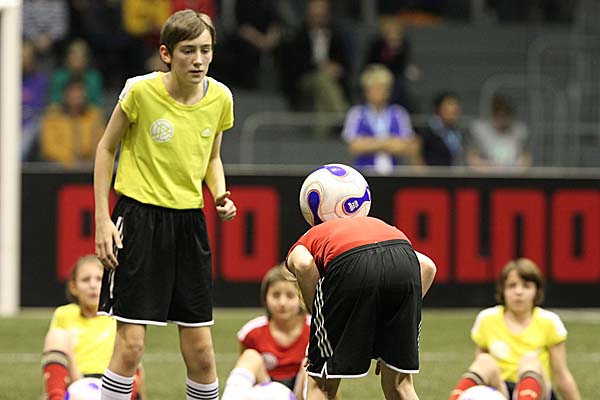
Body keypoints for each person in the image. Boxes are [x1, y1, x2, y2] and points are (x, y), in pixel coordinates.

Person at [93, 9, 236, 400]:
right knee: (131, 347)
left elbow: (212, 157)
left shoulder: (221, 97)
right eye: (188, 50)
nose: (199, 59)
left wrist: (219, 194)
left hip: (190, 225)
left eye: (205, 50)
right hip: (138, 220)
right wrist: (103, 219)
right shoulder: (139, 91)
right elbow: (105, 149)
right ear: (166, 54)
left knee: (203, 353)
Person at [286, 208, 437, 398]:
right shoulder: (378, 224)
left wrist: (319, 326)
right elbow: (427, 266)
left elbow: (304, 265)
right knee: (400, 385)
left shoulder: (308, 238)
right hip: (402, 257)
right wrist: (397, 323)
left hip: (349, 263)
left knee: (321, 386)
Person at [448, 258, 581, 400]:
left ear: (537, 291)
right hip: (501, 391)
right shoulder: (487, 319)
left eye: (526, 286)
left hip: (538, 392)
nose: (518, 292)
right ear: (502, 290)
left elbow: (561, 374)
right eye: (512, 286)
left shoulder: (549, 321)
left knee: (529, 360)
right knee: (484, 360)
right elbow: (482, 368)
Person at [41, 255, 144, 400]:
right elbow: (53, 359)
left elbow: (135, 362)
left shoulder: (117, 315)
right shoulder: (64, 314)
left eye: (99, 279)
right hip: (76, 381)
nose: (93, 285)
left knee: (132, 344)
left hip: (111, 382)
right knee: (56, 336)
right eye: (85, 280)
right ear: (73, 287)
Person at [342, 64, 422, 174]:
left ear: (388, 91)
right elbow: (355, 146)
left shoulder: (399, 113)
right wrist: (389, 142)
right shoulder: (356, 113)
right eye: (375, 88)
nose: (379, 92)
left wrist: (369, 142)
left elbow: (405, 145)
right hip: (364, 173)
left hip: (394, 173)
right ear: (366, 91)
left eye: (382, 88)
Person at [40, 78, 105, 167]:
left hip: (89, 166)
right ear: (65, 95)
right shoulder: (52, 116)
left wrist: (88, 159)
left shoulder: (94, 115)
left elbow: (102, 143)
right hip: (59, 167)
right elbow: (49, 148)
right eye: (72, 94)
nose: (76, 98)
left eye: (79, 94)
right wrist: (70, 161)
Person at [467, 94, 532, 170]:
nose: (501, 118)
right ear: (492, 114)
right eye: (498, 114)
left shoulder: (519, 131)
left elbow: (527, 159)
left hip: (513, 174)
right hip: (487, 173)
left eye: (504, 114)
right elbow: (472, 159)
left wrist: (515, 170)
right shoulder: (480, 129)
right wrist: (490, 168)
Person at [416, 91, 464, 166]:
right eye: (449, 105)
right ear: (439, 108)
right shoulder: (427, 132)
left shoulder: (459, 132)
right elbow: (417, 155)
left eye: (456, 106)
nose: (454, 109)